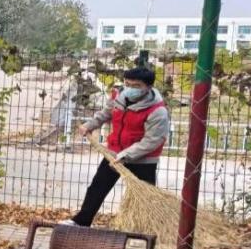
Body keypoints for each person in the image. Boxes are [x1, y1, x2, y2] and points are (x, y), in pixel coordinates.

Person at [62, 66, 170, 227]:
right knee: (97, 187)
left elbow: (152, 141)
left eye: (136, 86)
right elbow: (105, 114)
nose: (130, 89)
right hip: (114, 154)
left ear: (148, 87)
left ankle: (148, 229)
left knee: (145, 198)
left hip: (143, 159)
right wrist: (89, 125)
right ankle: (81, 221)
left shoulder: (158, 111)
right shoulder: (119, 96)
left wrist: (126, 155)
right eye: (128, 84)